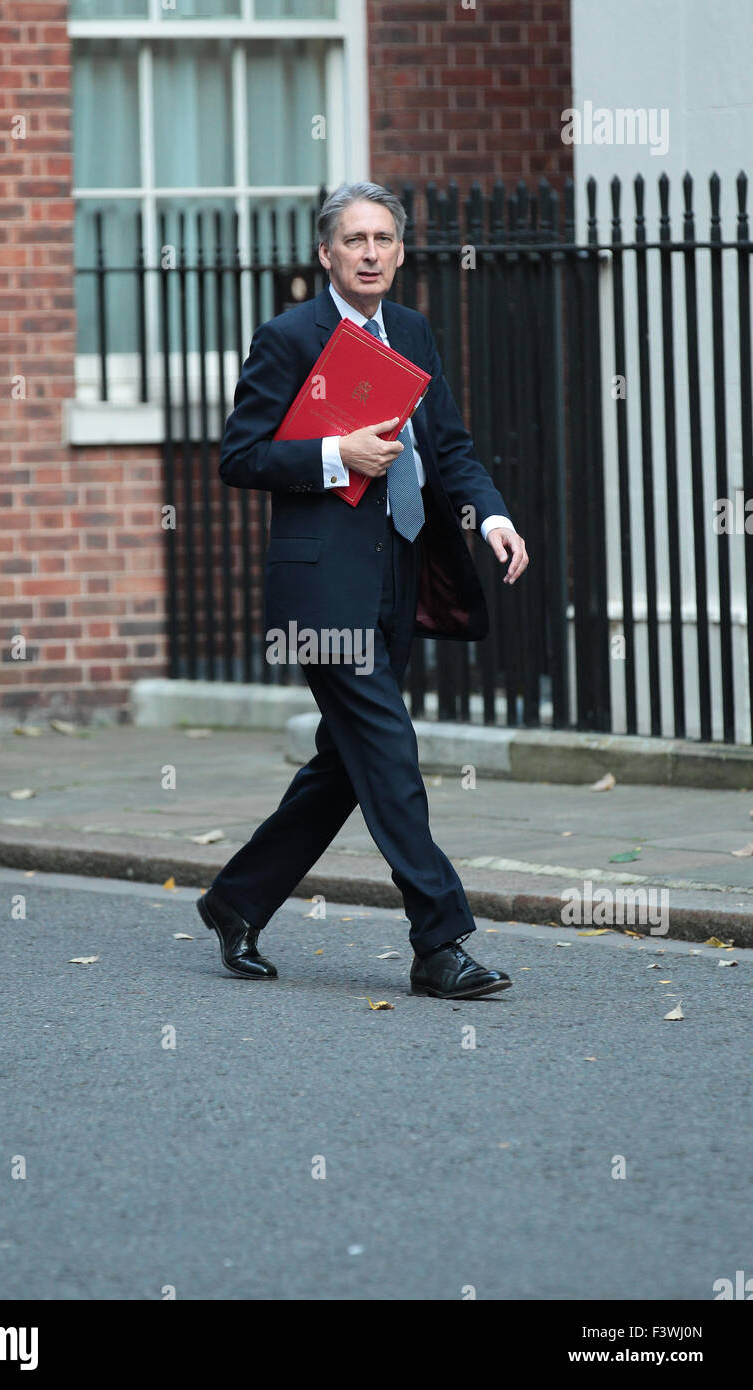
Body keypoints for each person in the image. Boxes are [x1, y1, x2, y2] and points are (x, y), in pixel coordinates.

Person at [197, 182, 529, 1000]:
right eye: (355, 240)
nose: (371, 252)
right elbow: (239, 456)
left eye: (384, 238)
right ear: (326, 255)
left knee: (344, 766)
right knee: (388, 751)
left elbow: (448, 446)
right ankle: (439, 941)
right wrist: (333, 454)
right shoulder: (287, 339)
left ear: (401, 251)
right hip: (318, 595)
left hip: (400, 577)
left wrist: (489, 517)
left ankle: (235, 902)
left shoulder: (411, 331)